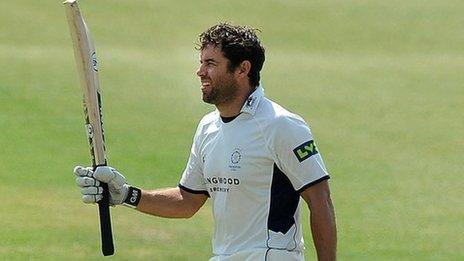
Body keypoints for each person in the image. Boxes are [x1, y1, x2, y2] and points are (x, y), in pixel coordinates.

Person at [74, 23, 337, 261]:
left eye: (211, 63)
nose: (200, 71)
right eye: (201, 62)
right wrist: (126, 195)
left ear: (242, 69)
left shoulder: (281, 125)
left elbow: (320, 200)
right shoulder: (208, 128)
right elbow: (187, 201)